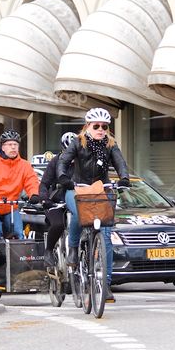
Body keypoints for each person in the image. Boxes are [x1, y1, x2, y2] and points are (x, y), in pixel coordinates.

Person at [57, 108, 131, 303]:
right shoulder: (77, 142)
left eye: (104, 127)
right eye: (96, 126)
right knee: (79, 214)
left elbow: (120, 163)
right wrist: (64, 178)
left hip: (100, 189)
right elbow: (63, 162)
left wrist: (124, 178)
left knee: (105, 235)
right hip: (77, 188)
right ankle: (73, 248)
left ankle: (105, 286)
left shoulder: (110, 144)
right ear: (87, 126)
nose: (100, 129)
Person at [0, 131, 41, 264]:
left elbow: (32, 181)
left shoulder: (24, 165)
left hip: (11, 206)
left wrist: (34, 194)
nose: (13, 147)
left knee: (19, 233)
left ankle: (18, 266)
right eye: (9, 144)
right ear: (2, 147)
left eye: (15, 144)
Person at [41, 131, 78, 268]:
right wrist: (44, 199)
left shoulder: (84, 161)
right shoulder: (56, 161)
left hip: (78, 199)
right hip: (57, 200)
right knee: (58, 225)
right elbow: (44, 183)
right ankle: (49, 250)